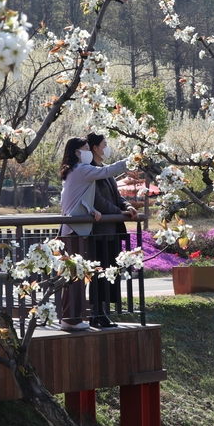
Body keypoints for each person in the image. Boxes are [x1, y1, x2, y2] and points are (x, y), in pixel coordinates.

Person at [58, 137, 129, 332]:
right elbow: (107, 171)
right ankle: (70, 319)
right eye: (86, 148)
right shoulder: (81, 170)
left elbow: (75, 200)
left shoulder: (74, 171)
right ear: (77, 152)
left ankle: (72, 317)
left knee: (77, 274)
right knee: (75, 276)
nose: (89, 151)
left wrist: (90, 209)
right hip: (75, 231)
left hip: (74, 229)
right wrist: (130, 161)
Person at [85, 132, 138, 328]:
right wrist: (118, 211)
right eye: (104, 144)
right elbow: (97, 199)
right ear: (95, 149)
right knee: (100, 272)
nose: (107, 148)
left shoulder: (103, 170)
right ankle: (96, 313)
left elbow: (116, 195)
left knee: (111, 271)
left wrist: (127, 207)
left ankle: (102, 312)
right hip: (100, 232)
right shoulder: (90, 171)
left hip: (111, 230)